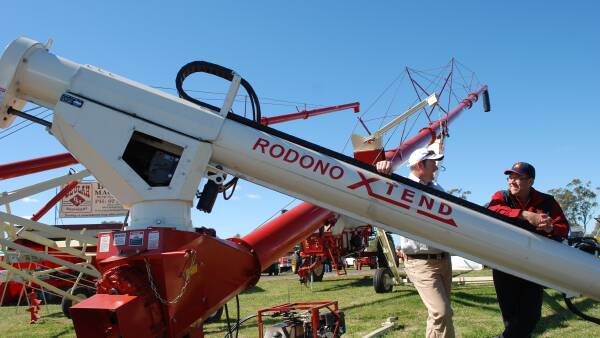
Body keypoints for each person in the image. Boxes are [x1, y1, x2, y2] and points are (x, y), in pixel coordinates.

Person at [376, 147, 455, 338]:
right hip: (421, 263)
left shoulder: (437, 189)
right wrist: (382, 170)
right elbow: (382, 194)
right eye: (433, 163)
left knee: (440, 314)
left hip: (443, 260)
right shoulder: (400, 186)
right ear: (420, 165)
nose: (436, 167)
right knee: (441, 312)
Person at [487, 162, 569, 338]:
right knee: (511, 315)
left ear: (530, 181)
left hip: (534, 264)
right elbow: (492, 210)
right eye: (510, 177)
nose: (512, 182)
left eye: (518, 178)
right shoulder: (501, 196)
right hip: (504, 263)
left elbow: (563, 227)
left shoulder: (547, 201)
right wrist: (525, 215)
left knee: (531, 315)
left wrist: (550, 229)